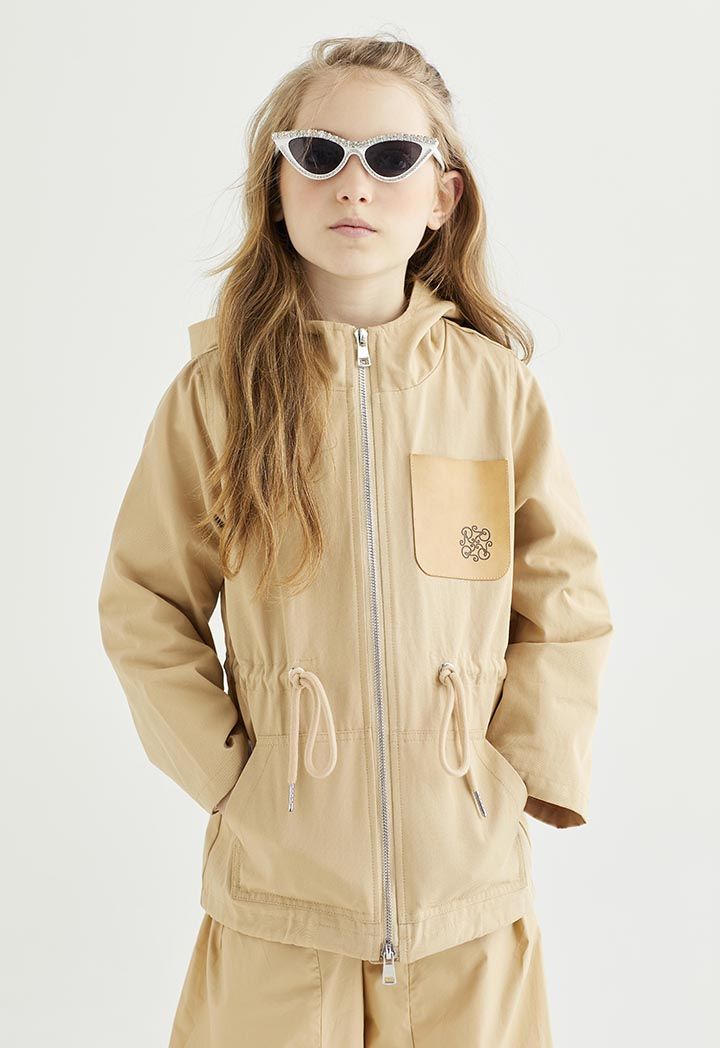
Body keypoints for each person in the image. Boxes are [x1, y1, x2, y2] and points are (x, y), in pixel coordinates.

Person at [98, 33, 613, 1047]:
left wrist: (508, 774)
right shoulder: (217, 394)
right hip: (277, 905)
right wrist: (233, 777)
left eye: (391, 156)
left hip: (467, 906)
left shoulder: (495, 391)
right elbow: (143, 604)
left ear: (442, 197)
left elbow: (566, 599)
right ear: (277, 186)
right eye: (319, 153)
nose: (354, 183)